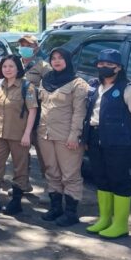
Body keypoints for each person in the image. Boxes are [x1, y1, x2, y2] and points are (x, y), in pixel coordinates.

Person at [82, 49, 131, 239]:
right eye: (101, 64)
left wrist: (118, 128)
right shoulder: (95, 86)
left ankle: (120, 224)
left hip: (118, 141)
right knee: (101, 178)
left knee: (119, 179)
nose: (104, 67)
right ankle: (104, 219)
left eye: (109, 65)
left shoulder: (129, 89)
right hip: (95, 137)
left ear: (118, 68)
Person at [37, 48, 89, 226]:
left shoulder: (77, 84)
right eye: (54, 58)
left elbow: (79, 112)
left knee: (70, 175)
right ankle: (56, 207)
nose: (57, 61)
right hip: (45, 134)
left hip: (67, 136)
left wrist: (75, 135)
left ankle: (71, 212)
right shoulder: (46, 81)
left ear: (67, 60)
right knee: (52, 171)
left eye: (61, 58)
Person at [0, 55, 37, 214]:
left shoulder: (27, 87)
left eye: (11, 66)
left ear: (18, 68)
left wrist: (27, 134)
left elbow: (32, 111)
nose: (7, 69)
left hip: (18, 135)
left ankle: (16, 201)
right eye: (4, 66)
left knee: (20, 167)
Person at [18, 34, 51, 186]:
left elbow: (50, 89)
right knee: (21, 152)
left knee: (43, 152)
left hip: (37, 112)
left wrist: (33, 91)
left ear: (36, 48)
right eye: (23, 45)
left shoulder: (43, 66)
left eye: (29, 46)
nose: (25, 48)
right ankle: (23, 183)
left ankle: (48, 187)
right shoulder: (15, 63)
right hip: (18, 113)